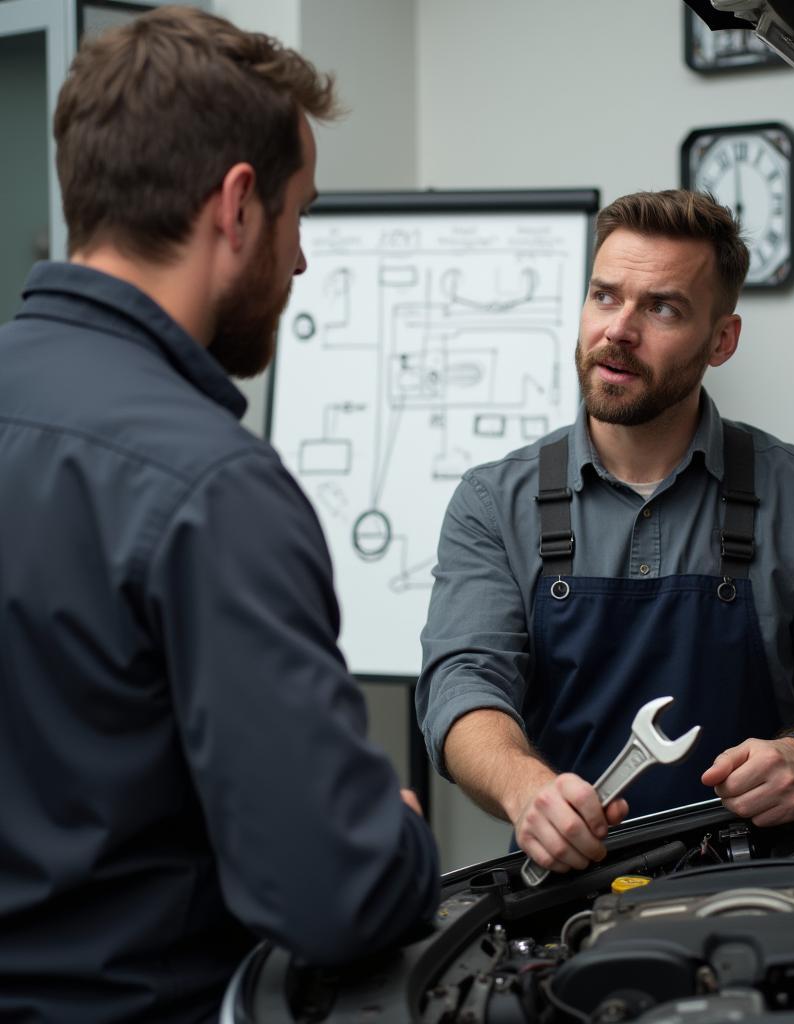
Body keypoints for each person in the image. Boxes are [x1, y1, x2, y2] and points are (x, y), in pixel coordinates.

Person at [0, 8, 439, 1023]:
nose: (299, 264)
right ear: (237, 207)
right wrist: (396, 834)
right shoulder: (210, 487)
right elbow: (336, 896)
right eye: (299, 218)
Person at [417, 188, 794, 878]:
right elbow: (461, 683)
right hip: (566, 894)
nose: (618, 330)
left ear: (722, 340)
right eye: (604, 296)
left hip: (761, 877)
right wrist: (523, 787)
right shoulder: (491, 501)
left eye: (661, 307)